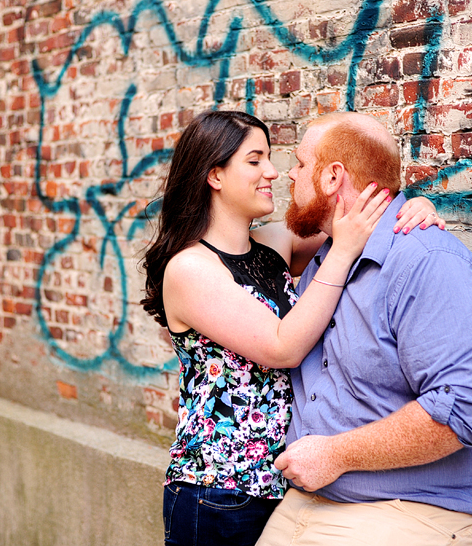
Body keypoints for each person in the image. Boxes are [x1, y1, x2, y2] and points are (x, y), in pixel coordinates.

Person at [140, 110, 442, 546]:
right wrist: (341, 254)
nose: (273, 172)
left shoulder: (272, 243)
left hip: (283, 487)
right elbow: (282, 348)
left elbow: (357, 220)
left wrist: (413, 207)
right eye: (255, 160)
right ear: (215, 176)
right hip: (217, 491)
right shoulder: (189, 269)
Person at [255, 111, 472, 546]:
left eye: (301, 164)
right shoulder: (330, 255)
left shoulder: (427, 262)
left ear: (332, 177)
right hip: (309, 501)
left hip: (416, 510)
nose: (289, 173)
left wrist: (336, 454)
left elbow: (468, 407)